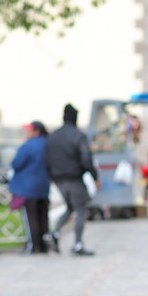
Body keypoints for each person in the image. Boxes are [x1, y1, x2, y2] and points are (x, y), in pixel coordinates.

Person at [44, 103, 100, 256]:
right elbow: (86, 158)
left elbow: (47, 158)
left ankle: (53, 233)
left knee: (70, 207)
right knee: (81, 209)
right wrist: (94, 176)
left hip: (59, 179)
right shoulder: (78, 135)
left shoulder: (53, 136)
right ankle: (78, 244)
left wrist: (52, 176)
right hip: (74, 178)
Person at [10, 121, 51, 254]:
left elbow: (16, 163)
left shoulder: (28, 146)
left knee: (30, 217)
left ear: (36, 131)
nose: (28, 133)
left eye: (30, 130)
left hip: (27, 188)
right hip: (44, 186)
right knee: (43, 216)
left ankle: (33, 245)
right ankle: (44, 244)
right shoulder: (48, 144)